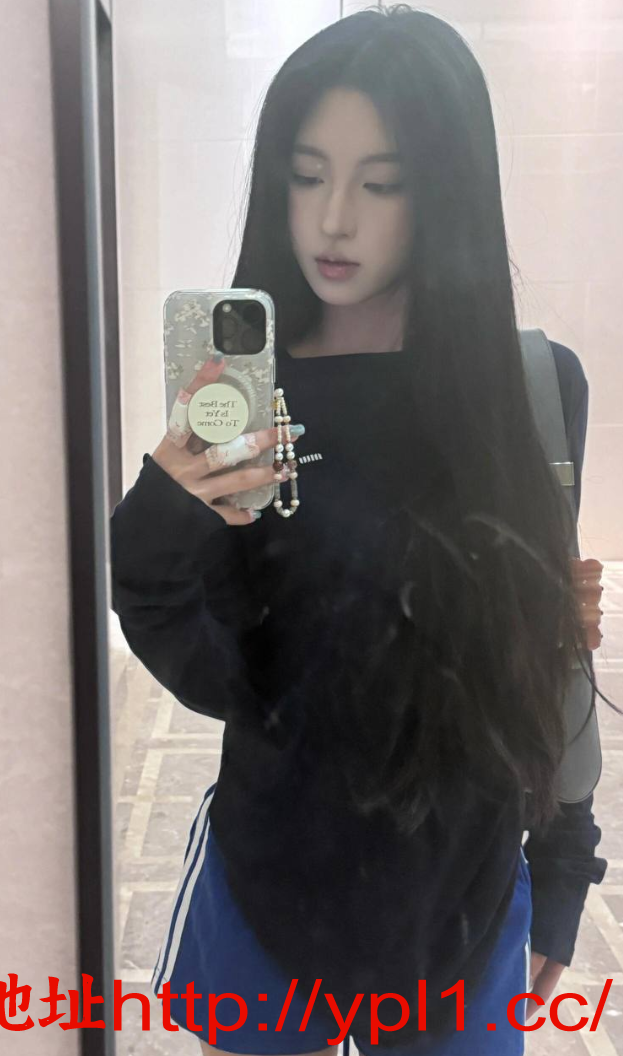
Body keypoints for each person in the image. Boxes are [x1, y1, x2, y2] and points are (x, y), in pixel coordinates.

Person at [109, 5, 612, 1054]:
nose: (334, 219)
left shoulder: (529, 389)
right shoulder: (247, 397)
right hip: (273, 878)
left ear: (447, 192)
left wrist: (564, 865)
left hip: (462, 896)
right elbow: (202, 654)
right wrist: (164, 500)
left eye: (381, 184)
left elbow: (544, 658)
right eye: (306, 175)